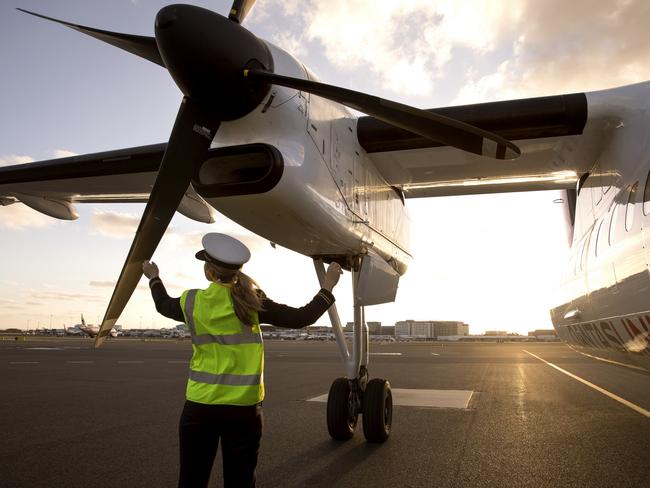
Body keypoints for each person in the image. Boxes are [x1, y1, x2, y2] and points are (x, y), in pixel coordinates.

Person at [142, 233, 342, 488]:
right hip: (243, 409)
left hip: (200, 405)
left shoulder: (192, 301)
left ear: (208, 271)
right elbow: (302, 317)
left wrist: (153, 277)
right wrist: (328, 285)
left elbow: (162, 305)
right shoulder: (252, 302)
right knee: (240, 480)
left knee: (192, 479)